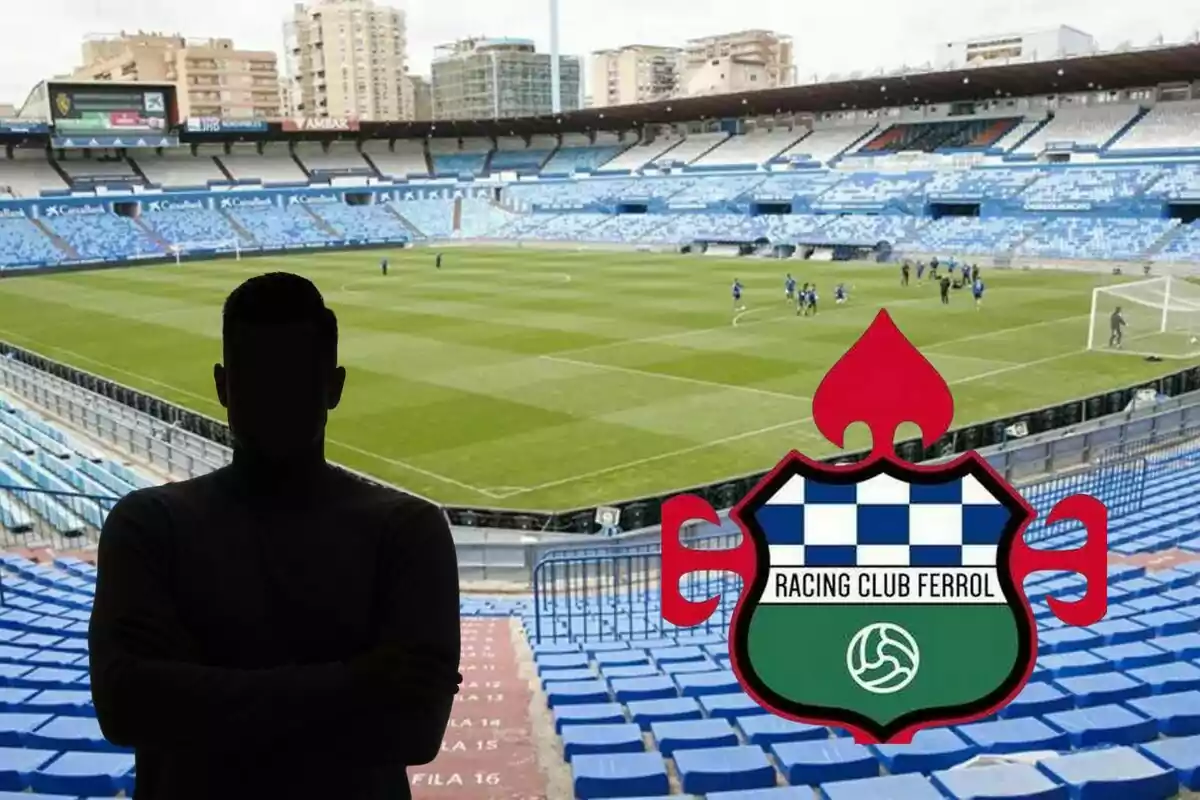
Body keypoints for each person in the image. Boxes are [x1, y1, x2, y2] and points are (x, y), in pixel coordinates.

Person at [88, 273, 462, 800]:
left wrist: (197, 679)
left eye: (293, 377)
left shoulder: (410, 531)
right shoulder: (147, 524)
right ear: (223, 385)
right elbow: (124, 708)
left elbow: (415, 731)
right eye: (258, 376)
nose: (274, 396)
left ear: (331, 387)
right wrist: (357, 681)